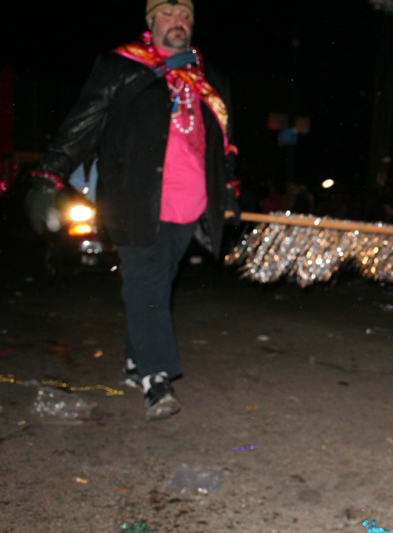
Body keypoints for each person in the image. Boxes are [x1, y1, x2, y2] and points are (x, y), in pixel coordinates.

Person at [27, 0, 240, 420]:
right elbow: (82, 123)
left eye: (185, 17)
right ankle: (156, 380)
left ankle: (132, 361)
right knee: (145, 285)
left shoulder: (210, 79)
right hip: (134, 200)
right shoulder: (121, 66)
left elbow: (224, 145)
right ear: (150, 21)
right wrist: (47, 176)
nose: (177, 23)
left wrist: (228, 193)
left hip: (190, 204)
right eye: (168, 14)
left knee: (155, 287)